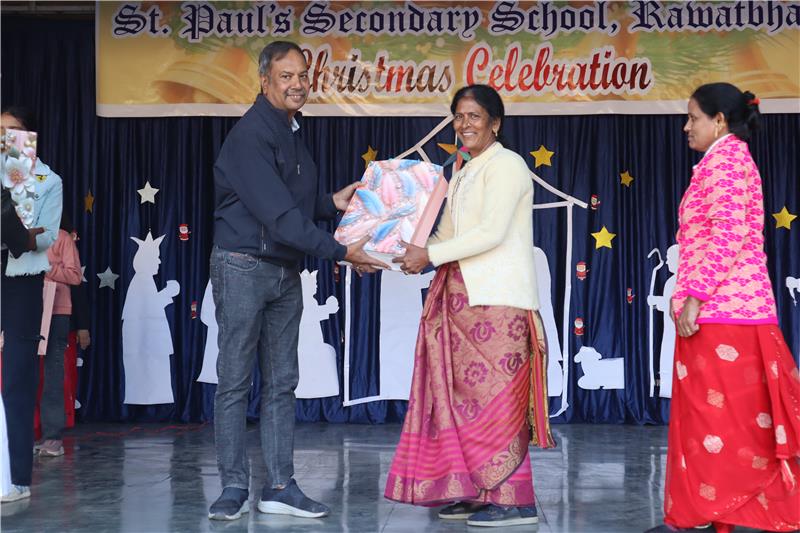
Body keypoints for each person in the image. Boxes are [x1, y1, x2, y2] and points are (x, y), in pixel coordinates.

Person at [208, 41, 385, 521]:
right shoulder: (250, 135)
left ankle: (280, 486)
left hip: (285, 270)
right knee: (235, 382)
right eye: (286, 76)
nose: (297, 84)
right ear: (264, 80)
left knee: (283, 382)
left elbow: (293, 206)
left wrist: (331, 203)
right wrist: (343, 251)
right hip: (243, 267)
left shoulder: (291, 131)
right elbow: (281, 217)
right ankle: (233, 486)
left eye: (303, 75)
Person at [386, 84, 554, 528]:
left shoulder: (507, 165)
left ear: (495, 123)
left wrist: (430, 255)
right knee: (464, 402)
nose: (464, 125)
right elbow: (447, 235)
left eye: (474, 116)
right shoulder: (463, 171)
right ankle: (479, 491)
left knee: (496, 402)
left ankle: (516, 500)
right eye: (459, 116)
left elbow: (491, 232)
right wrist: (402, 253)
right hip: (460, 299)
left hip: (499, 301)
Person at [646, 83, 800, 533]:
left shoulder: (728, 161)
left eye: (693, 117)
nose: (686, 126)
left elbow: (728, 237)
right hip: (723, 311)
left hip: (725, 312)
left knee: (722, 422)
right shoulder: (721, 160)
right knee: (718, 421)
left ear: (719, 121)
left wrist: (694, 297)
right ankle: (711, 514)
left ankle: (721, 513)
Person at [1, 106, 63, 503]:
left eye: (11, 131)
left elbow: (48, 236)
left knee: (17, 379)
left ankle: (17, 477)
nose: (4, 138)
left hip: (21, 281)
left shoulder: (48, 179)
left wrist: (21, 235)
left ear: (28, 136)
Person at [35, 214, 82, 457]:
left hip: (56, 312)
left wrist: (47, 267)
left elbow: (75, 276)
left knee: (53, 374)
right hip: (27, 311)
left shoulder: (62, 238)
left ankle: (52, 437)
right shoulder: (22, 238)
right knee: (24, 373)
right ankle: (22, 434)